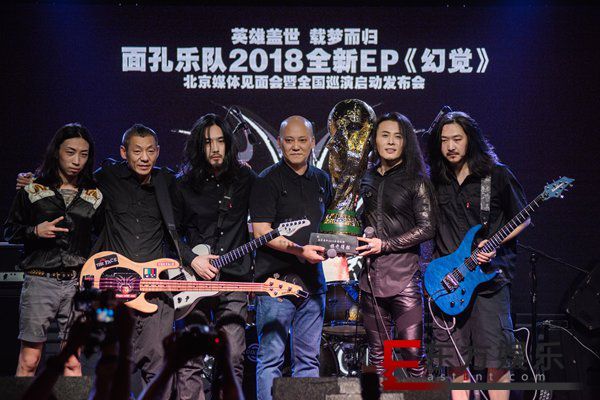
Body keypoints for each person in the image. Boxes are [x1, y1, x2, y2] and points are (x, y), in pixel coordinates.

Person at [15, 123, 179, 397]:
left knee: (81, 360)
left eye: (150, 151)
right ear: (123, 152)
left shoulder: (158, 181)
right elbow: (16, 226)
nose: (144, 157)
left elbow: (193, 184)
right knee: (39, 359)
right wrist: (32, 186)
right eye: (137, 151)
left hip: (118, 287)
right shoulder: (99, 179)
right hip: (73, 285)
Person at [427, 111, 530, 400]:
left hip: (489, 283)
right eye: (444, 140)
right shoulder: (436, 180)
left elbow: (523, 218)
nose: (450, 146)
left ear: (471, 139)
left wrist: (496, 243)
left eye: (457, 139)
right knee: (455, 363)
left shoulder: (496, 175)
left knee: (496, 361)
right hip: (450, 283)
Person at [4, 123, 103, 377]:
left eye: (83, 154)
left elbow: (102, 235)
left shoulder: (94, 193)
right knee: (29, 359)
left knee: (72, 361)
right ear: (57, 151)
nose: (77, 161)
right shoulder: (33, 189)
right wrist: (35, 231)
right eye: (70, 152)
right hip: (40, 280)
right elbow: (10, 231)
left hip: (77, 284)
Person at [249, 115, 333, 400]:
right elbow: (261, 231)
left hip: (313, 286)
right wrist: (300, 251)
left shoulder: (322, 180)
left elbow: (329, 225)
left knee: (308, 360)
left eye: (302, 140)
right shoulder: (266, 180)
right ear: (279, 142)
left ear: (312, 143)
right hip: (275, 285)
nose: (295, 146)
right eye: (289, 140)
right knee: (270, 359)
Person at [173, 113, 256, 399]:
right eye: (208, 142)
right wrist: (191, 258)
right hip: (192, 279)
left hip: (233, 278)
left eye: (221, 141)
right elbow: (170, 234)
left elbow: (266, 217)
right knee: (189, 358)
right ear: (199, 145)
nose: (215, 148)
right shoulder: (183, 184)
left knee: (233, 356)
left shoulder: (245, 177)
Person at [356, 112, 436, 376]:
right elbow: (359, 220)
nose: (390, 142)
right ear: (375, 140)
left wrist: (385, 245)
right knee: (378, 358)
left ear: (406, 142)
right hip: (370, 279)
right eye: (385, 135)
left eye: (397, 137)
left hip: (405, 279)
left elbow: (427, 227)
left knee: (411, 355)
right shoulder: (366, 177)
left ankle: (418, 394)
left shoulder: (416, 180)